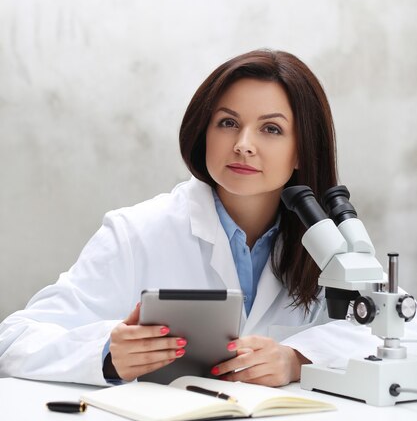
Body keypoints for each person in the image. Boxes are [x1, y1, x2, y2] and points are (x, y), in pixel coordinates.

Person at [0, 49, 414, 387]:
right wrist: (107, 353)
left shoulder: (329, 244)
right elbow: (14, 340)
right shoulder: (137, 232)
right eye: (228, 123)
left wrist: (298, 359)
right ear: (204, 133)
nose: (243, 145)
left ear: (302, 150)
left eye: (270, 129)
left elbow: (398, 334)